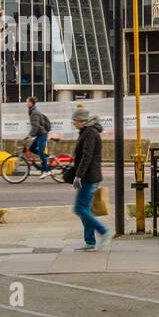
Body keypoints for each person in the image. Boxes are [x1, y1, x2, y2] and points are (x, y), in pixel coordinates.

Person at [69, 107, 108, 251]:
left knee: (79, 208)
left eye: (75, 120)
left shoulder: (90, 133)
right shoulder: (87, 131)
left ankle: (104, 231)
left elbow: (87, 156)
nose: (73, 123)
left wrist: (78, 176)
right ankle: (90, 241)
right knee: (85, 209)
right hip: (89, 176)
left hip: (89, 177)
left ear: (81, 120)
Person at [25, 96, 53, 178]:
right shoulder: (31, 111)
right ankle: (46, 157)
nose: (26, 103)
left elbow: (35, 126)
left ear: (31, 103)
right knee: (32, 148)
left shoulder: (35, 112)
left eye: (27, 101)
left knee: (41, 153)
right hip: (39, 134)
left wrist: (30, 135)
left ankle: (47, 171)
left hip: (42, 135)